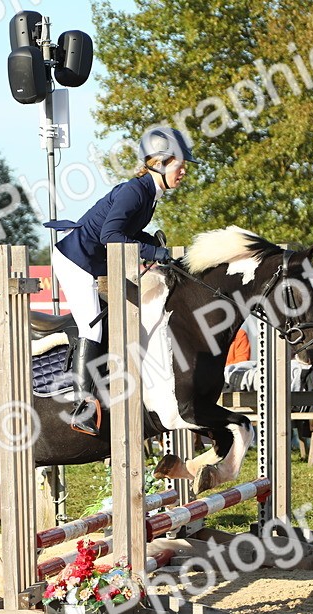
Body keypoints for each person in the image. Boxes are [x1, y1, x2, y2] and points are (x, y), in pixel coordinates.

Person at [45, 126, 194, 436]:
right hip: (75, 261)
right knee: (92, 327)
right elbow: (110, 235)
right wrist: (153, 251)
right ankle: (82, 407)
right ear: (160, 162)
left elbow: (125, 232)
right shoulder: (135, 191)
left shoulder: (148, 192)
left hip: (91, 260)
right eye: (180, 166)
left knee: (112, 322)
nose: (183, 173)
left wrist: (151, 242)